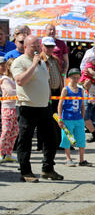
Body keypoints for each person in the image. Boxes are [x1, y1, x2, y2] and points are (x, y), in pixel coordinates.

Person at [11, 35, 63, 182]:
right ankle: (26, 172)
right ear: (26, 46)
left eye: (38, 46)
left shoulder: (41, 62)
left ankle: (47, 169)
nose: (37, 49)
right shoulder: (20, 62)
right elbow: (20, 81)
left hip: (44, 107)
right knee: (25, 141)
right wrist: (33, 65)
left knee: (51, 138)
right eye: (34, 46)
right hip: (27, 107)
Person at [57, 68, 91, 167]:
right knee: (67, 138)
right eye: (73, 78)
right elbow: (60, 104)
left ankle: (81, 159)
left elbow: (82, 106)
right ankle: (68, 159)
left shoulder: (81, 90)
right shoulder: (65, 89)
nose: (76, 80)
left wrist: (82, 118)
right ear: (69, 78)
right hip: (67, 118)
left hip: (78, 118)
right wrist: (60, 118)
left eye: (77, 78)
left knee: (81, 138)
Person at [37, 37, 64, 151]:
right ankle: (41, 144)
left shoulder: (55, 59)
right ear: (42, 46)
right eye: (47, 46)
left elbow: (60, 75)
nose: (49, 48)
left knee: (57, 118)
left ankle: (58, 142)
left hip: (57, 92)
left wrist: (62, 89)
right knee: (44, 119)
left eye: (51, 46)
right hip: (45, 93)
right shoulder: (39, 59)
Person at [0, 57, 19, 162]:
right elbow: (11, 92)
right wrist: (21, 92)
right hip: (7, 107)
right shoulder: (5, 79)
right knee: (6, 131)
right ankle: (1, 152)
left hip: (15, 107)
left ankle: (8, 153)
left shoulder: (14, 79)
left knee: (15, 131)